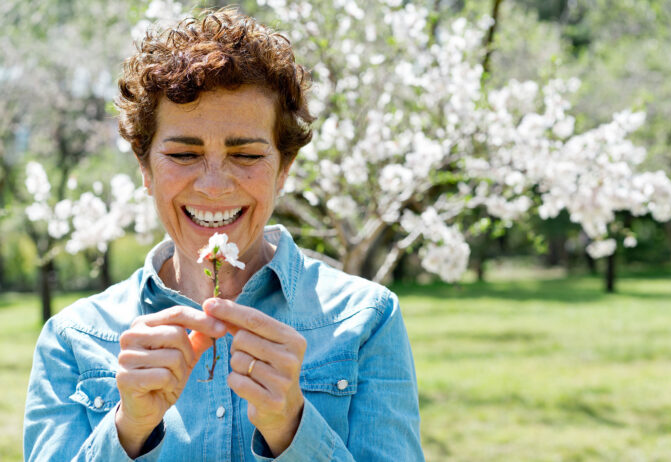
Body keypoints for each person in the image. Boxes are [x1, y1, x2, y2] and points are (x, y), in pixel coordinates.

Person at [23, 8, 424, 461]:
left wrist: (293, 428)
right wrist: (128, 429)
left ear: (283, 170)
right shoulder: (73, 338)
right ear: (145, 169)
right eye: (183, 154)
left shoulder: (367, 320)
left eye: (247, 155)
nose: (214, 186)